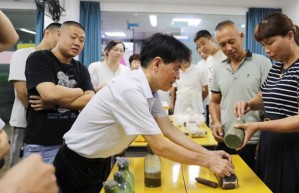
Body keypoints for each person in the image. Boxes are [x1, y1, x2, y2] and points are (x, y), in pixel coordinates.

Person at [54, 33, 234, 193]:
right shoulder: (130, 90)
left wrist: (208, 154)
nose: (178, 76)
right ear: (157, 63)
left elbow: (168, 129)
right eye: (176, 69)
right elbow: (159, 146)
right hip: (76, 163)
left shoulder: (150, 90)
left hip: (99, 160)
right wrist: (208, 162)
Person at [233, 13, 299, 193]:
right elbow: (265, 97)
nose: (266, 50)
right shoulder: (277, 67)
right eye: (262, 45)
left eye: (270, 42)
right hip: (272, 143)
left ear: (290, 36)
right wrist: (249, 104)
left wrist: (259, 126)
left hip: (294, 146)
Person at [23, 21, 95, 164]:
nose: (77, 43)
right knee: (39, 187)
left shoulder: (81, 68)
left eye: (81, 40)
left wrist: (54, 105)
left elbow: (90, 100)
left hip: (72, 143)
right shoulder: (39, 59)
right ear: (59, 35)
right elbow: (49, 93)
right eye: (73, 37)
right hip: (42, 145)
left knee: (67, 187)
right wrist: (79, 91)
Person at [210, 20, 272, 171]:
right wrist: (216, 122)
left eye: (231, 41)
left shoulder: (262, 63)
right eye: (223, 44)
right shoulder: (218, 69)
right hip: (226, 140)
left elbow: (271, 103)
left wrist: (264, 140)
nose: (228, 48)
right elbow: (214, 102)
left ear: (241, 36)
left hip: (253, 140)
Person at [8, 22, 61, 167]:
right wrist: (39, 113)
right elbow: (22, 91)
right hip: (24, 123)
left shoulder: (57, 61)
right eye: (58, 36)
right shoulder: (23, 54)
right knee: (20, 169)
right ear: (47, 33)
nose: (60, 42)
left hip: (48, 127)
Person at [170, 50, 208, 115]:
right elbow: (173, 87)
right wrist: (172, 103)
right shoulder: (176, 71)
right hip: (180, 107)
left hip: (195, 108)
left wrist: (198, 99)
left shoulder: (199, 70)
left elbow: (206, 89)